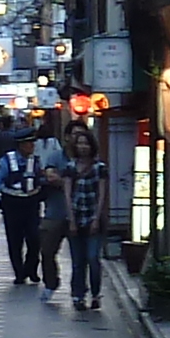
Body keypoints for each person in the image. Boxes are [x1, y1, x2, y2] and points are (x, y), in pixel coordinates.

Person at [63, 131, 110, 312]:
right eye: (80, 144)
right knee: (77, 261)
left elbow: (102, 194)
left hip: (93, 219)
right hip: (76, 218)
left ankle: (96, 294)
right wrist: (71, 220)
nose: (83, 147)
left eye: (86, 144)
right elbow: (67, 194)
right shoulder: (70, 167)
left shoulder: (99, 168)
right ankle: (78, 295)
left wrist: (97, 219)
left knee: (92, 257)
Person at [0, 127, 40, 283]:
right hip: (12, 203)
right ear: (21, 145)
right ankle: (19, 272)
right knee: (15, 240)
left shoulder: (36, 160)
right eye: (29, 143)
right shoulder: (7, 161)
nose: (32, 146)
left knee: (34, 238)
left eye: (33, 143)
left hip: (31, 203)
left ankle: (31, 267)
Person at [28, 135, 71, 292]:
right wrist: (70, 183)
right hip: (55, 211)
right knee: (47, 250)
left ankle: (79, 292)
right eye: (71, 135)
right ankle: (51, 282)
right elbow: (50, 175)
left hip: (81, 213)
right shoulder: (55, 156)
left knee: (82, 257)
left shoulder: (90, 159)